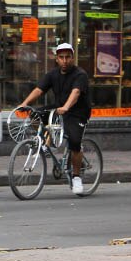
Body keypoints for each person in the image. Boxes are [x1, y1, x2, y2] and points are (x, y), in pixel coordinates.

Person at [18, 42, 92, 194]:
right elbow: (39, 90)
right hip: (59, 109)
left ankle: (77, 178)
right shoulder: (53, 74)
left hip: (77, 112)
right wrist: (24, 104)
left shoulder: (80, 75)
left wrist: (66, 107)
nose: (65, 60)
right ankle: (47, 142)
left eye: (68, 57)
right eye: (61, 57)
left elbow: (76, 93)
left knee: (74, 142)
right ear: (56, 59)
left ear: (73, 58)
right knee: (34, 115)